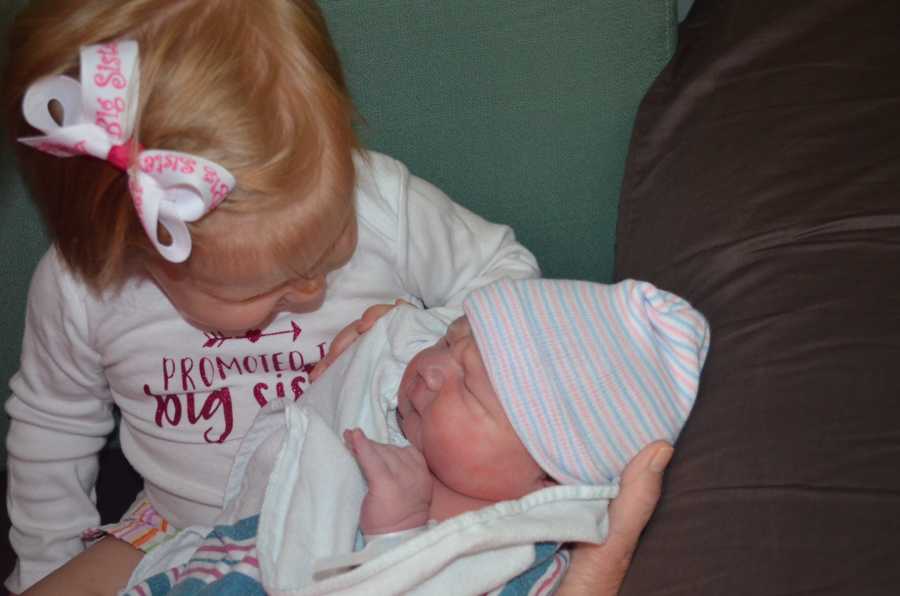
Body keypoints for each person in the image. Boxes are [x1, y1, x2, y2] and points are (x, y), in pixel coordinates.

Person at [0, 2, 664, 595]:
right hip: (178, 529)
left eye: (328, 250)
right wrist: (43, 563)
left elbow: (508, 274)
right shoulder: (86, 285)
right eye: (269, 285)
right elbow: (51, 430)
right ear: (137, 249)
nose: (315, 289)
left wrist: (423, 328)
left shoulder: (379, 201)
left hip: (370, 505)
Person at [121, 278, 708, 595]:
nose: (431, 368)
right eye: (450, 341)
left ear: (550, 474)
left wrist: (392, 539)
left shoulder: (512, 565)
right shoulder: (386, 414)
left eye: (471, 388)